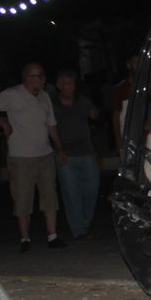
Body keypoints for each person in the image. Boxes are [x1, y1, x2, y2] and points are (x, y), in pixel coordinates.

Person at [0, 63, 68, 252]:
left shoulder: (45, 96)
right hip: (21, 156)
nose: (41, 79)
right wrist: (3, 123)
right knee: (22, 197)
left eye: (42, 75)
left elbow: (51, 124)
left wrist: (59, 148)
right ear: (27, 78)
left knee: (49, 195)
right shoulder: (13, 94)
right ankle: (25, 238)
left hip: (45, 154)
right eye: (37, 76)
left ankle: (52, 235)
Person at [52, 70, 100, 240]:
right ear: (59, 86)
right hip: (66, 154)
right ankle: (78, 230)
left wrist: (94, 114)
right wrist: (59, 149)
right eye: (67, 84)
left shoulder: (82, 100)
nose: (71, 87)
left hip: (86, 151)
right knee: (71, 193)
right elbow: (50, 128)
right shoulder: (52, 104)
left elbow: (95, 113)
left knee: (92, 188)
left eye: (72, 84)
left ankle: (85, 223)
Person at [110, 52, 139, 155]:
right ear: (128, 65)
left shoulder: (148, 87)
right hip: (128, 139)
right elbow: (116, 116)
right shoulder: (121, 89)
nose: (138, 65)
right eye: (135, 62)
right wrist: (119, 143)